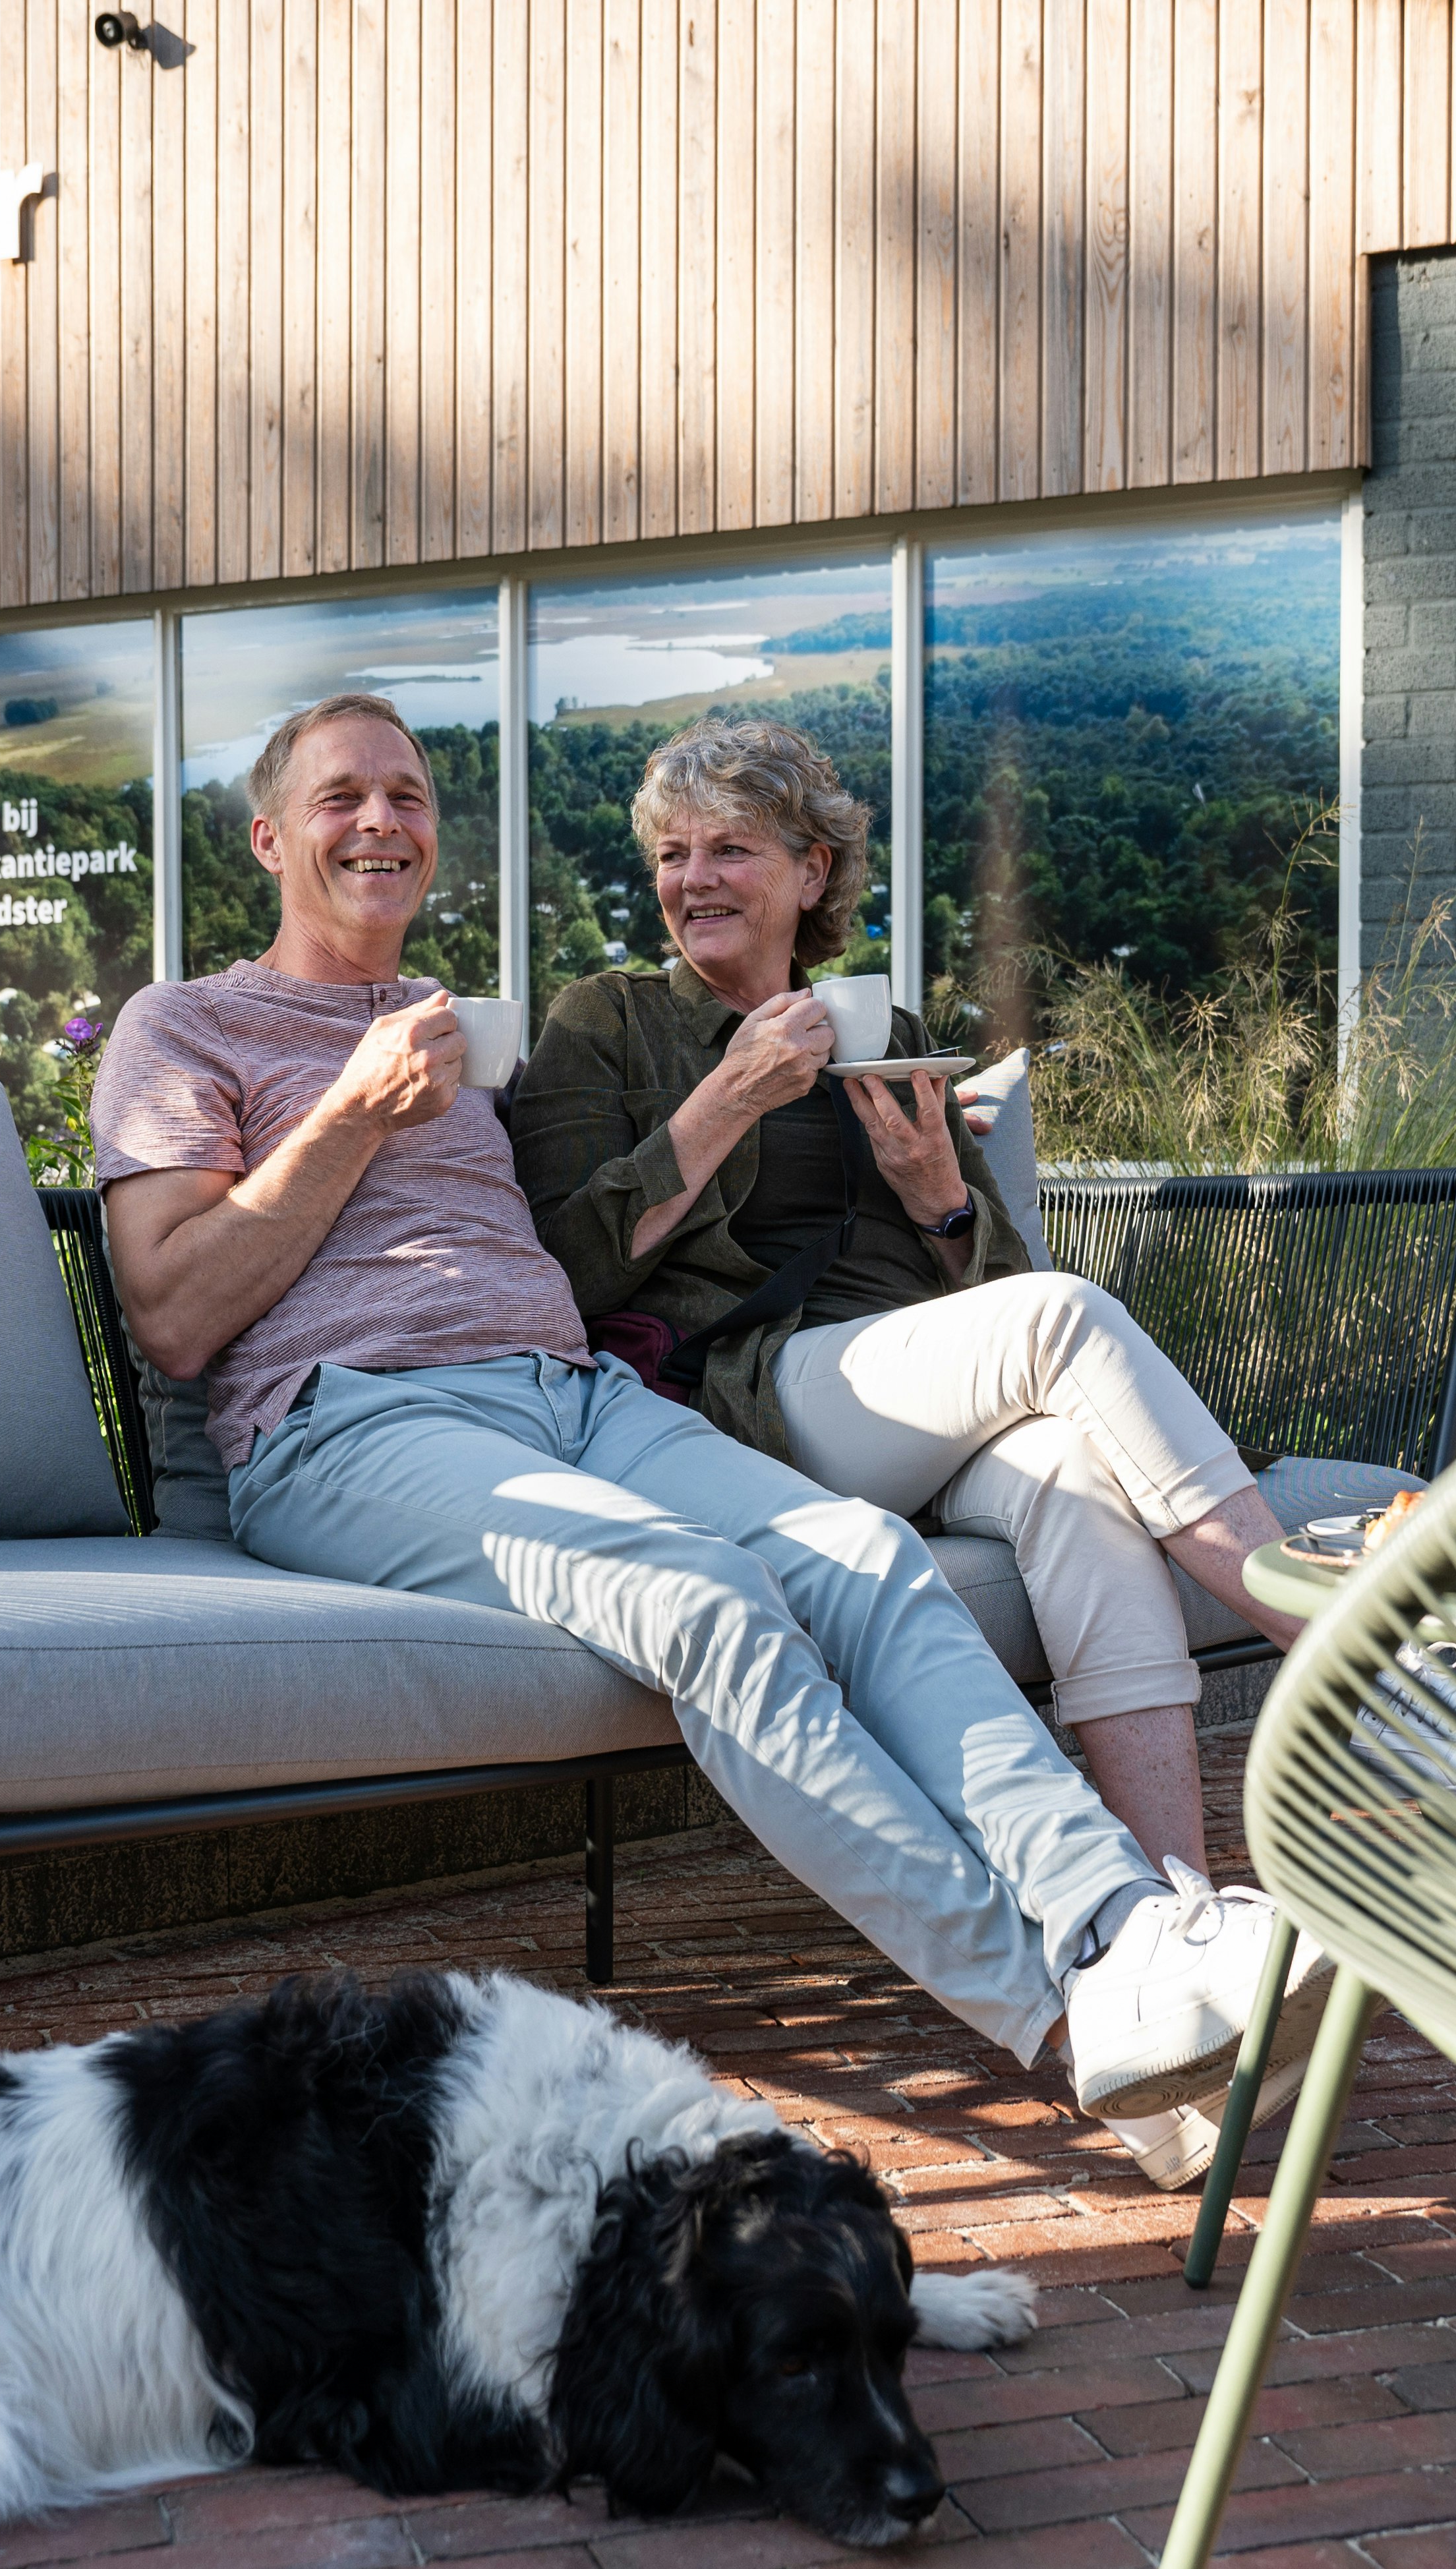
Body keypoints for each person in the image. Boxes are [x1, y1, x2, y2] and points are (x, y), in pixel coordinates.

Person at [91, 691, 1326, 2146]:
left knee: (868, 1557)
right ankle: (1071, 2021)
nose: (382, 822)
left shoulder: (450, 1029)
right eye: (341, 798)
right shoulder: (184, 1025)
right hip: (351, 1422)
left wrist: (936, 1188)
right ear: (267, 840)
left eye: (408, 796)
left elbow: (565, 1247)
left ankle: (1126, 1925)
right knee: (710, 1600)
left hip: (571, 1393)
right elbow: (172, 1314)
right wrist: (353, 1111)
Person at [502, 718, 1331, 2185]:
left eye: (730, 849)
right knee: (1065, 1322)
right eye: (673, 854)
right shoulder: (607, 1021)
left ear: (811, 871)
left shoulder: (882, 1026)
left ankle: (1176, 1965)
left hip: (913, 1395)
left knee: (1075, 1482)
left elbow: (981, 1281)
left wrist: (941, 1193)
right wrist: (725, 1099)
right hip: (749, 1399)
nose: (693, 880)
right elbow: (563, 1271)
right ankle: (1345, 1649)